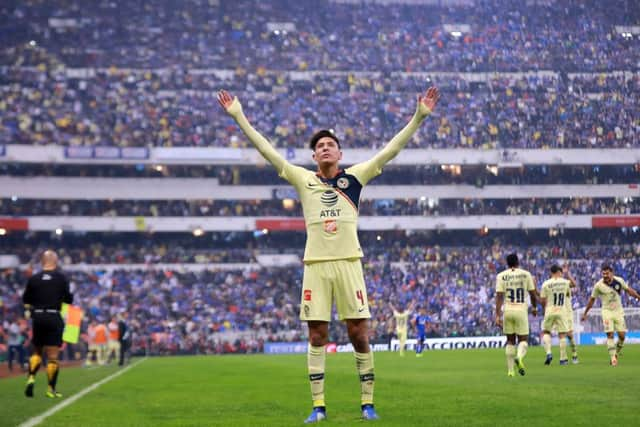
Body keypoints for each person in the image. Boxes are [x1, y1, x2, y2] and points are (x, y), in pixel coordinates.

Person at [218, 86, 440, 423]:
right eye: (319, 146)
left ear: (339, 152)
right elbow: (267, 150)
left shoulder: (355, 177)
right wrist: (238, 116)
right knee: (317, 335)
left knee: (358, 333)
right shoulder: (302, 179)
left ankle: (367, 402)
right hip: (316, 267)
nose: (324, 148)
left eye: (330, 144)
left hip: (350, 263)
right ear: (314, 156)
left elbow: (390, 150)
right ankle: (318, 406)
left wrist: (419, 116)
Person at [22, 250, 73, 398]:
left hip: (37, 317)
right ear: (55, 262)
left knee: (37, 351)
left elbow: (26, 300)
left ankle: (31, 377)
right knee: (52, 356)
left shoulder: (34, 279)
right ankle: (50, 389)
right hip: (53, 316)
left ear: (42, 261)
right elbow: (69, 300)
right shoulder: (61, 278)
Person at [581, 264, 640, 367]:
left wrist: (638, 297)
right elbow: (592, 300)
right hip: (607, 311)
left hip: (618, 311)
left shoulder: (619, 281)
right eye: (603, 273)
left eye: (607, 273)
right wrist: (585, 313)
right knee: (610, 334)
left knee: (622, 336)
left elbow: (628, 290)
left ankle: (616, 353)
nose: (605, 275)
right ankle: (613, 359)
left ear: (611, 273)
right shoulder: (598, 285)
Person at [495, 253, 537, 377]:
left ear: (507, 263)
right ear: (518, 262)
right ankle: (519, 357)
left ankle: (511, 371)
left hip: (507, 310)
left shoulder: (501, 276)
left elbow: (499, 296)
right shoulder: (526, 274)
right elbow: (533, 294)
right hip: (521, 310)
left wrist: (497, 315)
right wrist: (534, 307)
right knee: (523, 340)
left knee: (510, 341)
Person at [540, 265, 575, 366]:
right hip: (561, 310)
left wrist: (544, 309)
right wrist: (568, 274)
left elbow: (542, 300)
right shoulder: (565, 282)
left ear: (551, 272)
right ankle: (563, 359)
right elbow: (573, 286)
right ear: (559, 272)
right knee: (562, 335)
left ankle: (549, 353)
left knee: (546, 332)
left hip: (550, 310)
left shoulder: (546, 283)